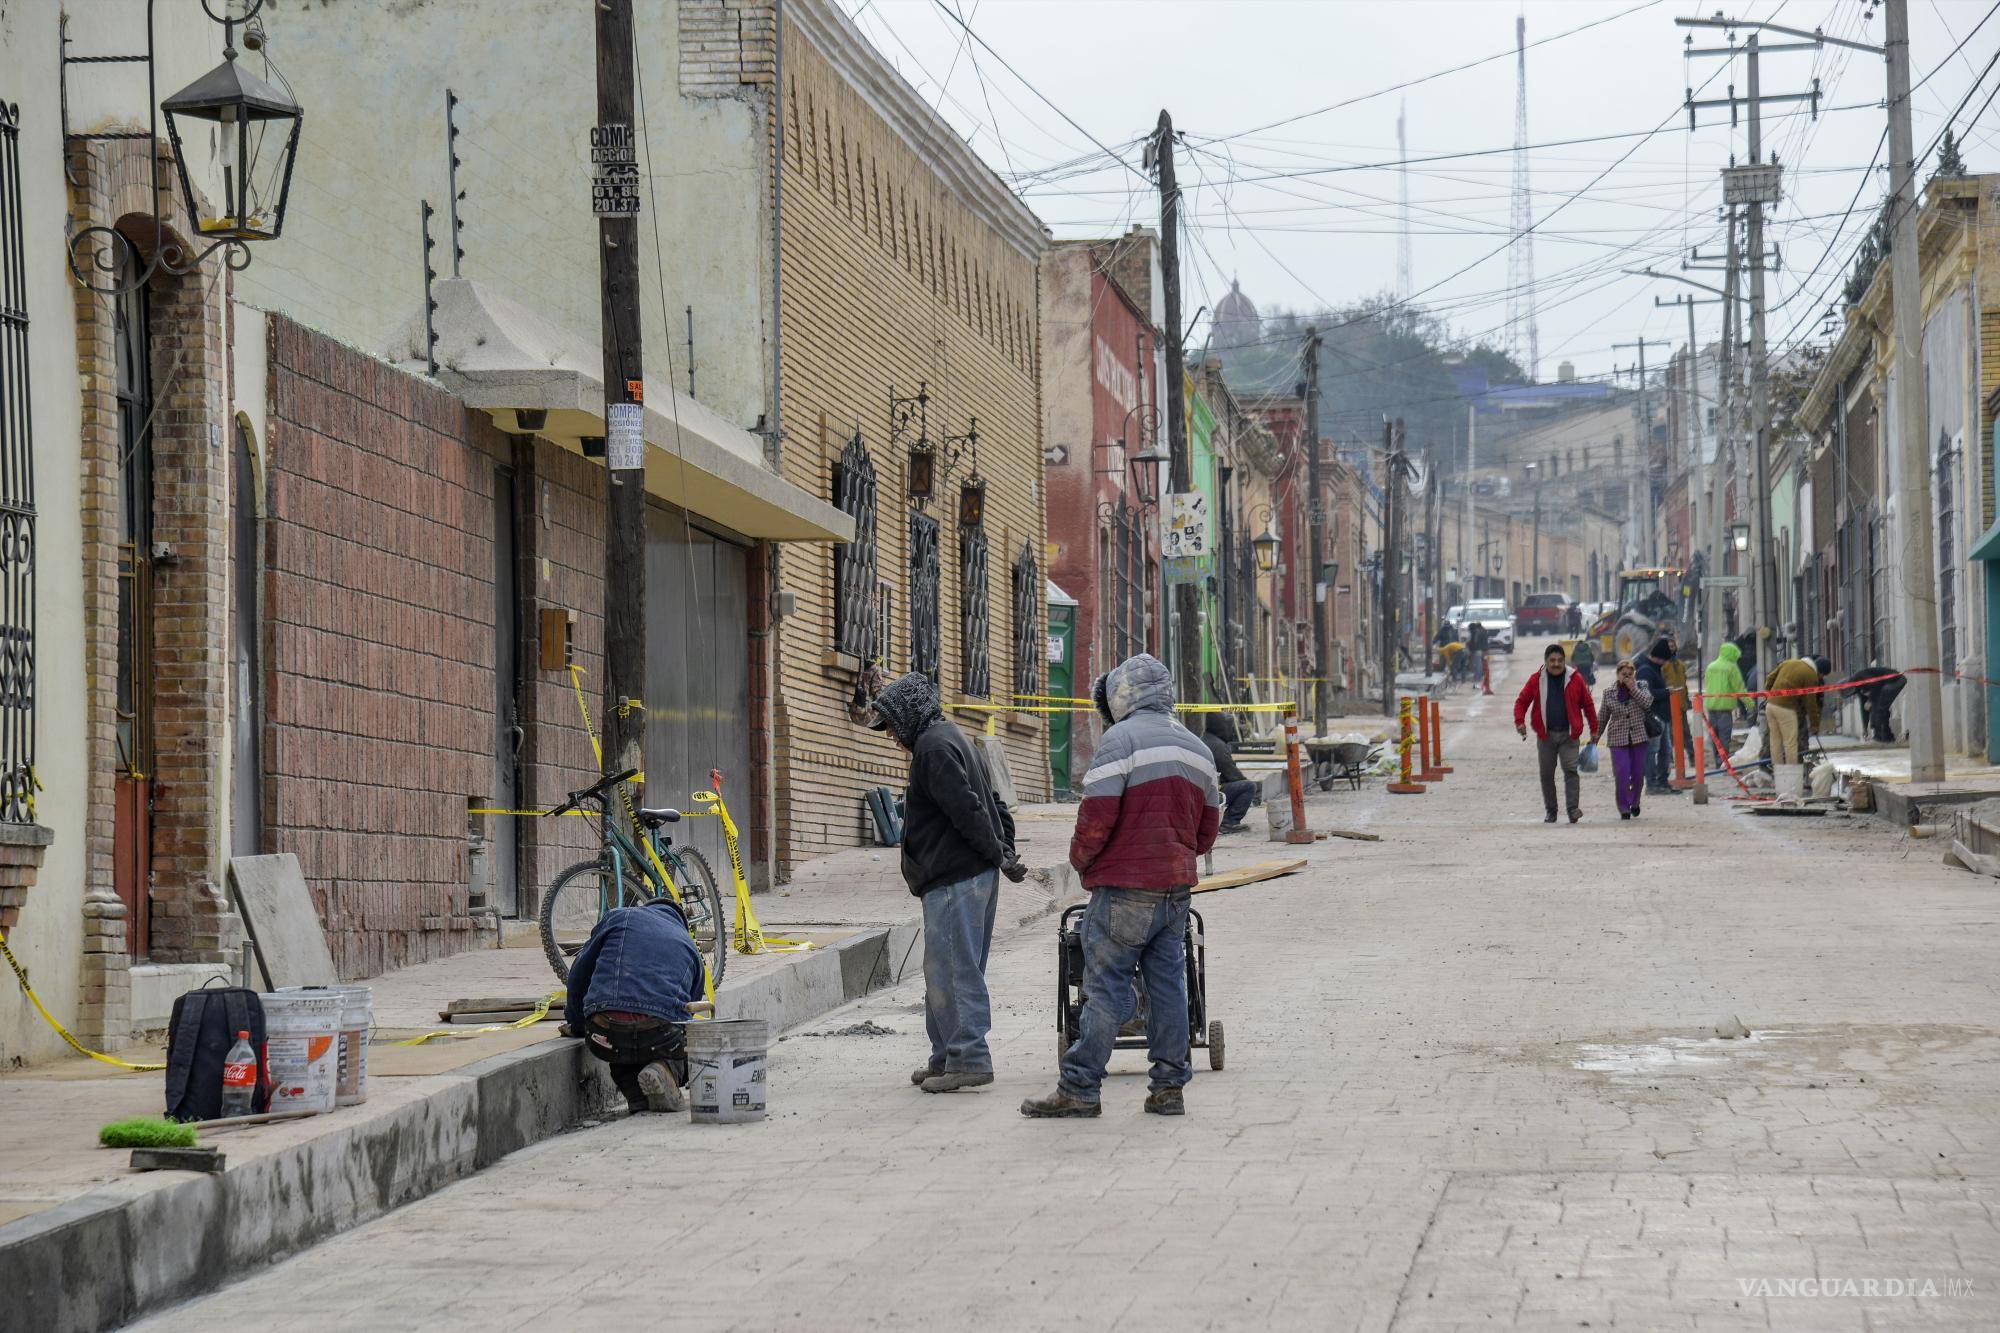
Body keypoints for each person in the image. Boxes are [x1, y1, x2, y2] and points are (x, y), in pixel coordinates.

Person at [1022, 654, 1221, 1120]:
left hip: (1123, 891)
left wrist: (1081, 862)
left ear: (1119, 696)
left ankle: (1079, 1088)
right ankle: (1169, 1088)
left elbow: (1095, 819)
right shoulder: (1197, 749)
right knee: (1169, 987)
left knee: (1106, 989)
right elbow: (1208, 832)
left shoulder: (1119, 741)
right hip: (1174, 893)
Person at [867, 671, 1027, 1095]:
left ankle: (969, 1057)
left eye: (892, 727)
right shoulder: (951, 738)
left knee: (954, 969)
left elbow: (969, 809)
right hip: (967, 875)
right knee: (945, 969)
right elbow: (994, 802)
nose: (892, 738)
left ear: (908, 717)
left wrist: (998, 853)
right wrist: (1003, 849)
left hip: (958, 877)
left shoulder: (934, 748)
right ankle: (945, 1056)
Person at [563, 898, 704, 1114]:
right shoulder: (689, 944)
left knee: (619, 1047)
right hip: (659, 1032)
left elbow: (579, 975)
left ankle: (636, 1095)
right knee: (682, 1042)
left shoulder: (619, 917)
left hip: (604, 1031)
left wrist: (576, 1023)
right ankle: (665, 1069)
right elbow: (687, 1016)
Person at [1513, 642, 1599, 824]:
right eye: (1552, 660)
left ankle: (1572, 809)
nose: (1556, 664)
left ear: (1564, 661)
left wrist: (1594, 729)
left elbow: (1588, 705)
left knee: (1571, 771)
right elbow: (1521, 702)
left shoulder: (1575, 679)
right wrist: (1519, 721)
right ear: (1546, 661)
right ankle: (1551, 811)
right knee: (1546, 774)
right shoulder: (1536, 679)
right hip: (1546, 736)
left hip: (1569, 735)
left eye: (1560, 660)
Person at [1593, 658, 1655, 820]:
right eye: (1623, 674)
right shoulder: (1609, 693)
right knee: (1621, 773)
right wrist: (1596, 736)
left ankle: (1635, 802)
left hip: (1638, 737)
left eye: (1630, 674)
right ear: (1617, 674)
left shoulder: (1641, 687)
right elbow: (1603, 717)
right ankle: (1623, 807)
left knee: (1637, 774)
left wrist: (1632, 688)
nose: (1626, 677)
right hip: (1617, 738)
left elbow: (1647, 703)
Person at [1763, 655, 1831, 768]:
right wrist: (1815, 725)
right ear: (1821, 672)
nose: (1820, 677)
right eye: (1822, 675)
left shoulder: (1788, 663)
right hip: (1786, 709)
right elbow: (1811, 703)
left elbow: (1769, 678)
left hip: (1770, 706)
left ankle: (1778, 772)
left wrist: (1771, 694)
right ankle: (1791, 772)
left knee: (1775, 742)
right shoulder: (1811, 675)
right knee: (1791, 743)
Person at [1635, 638, 1681, 797]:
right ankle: (1652, 784)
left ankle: (1662, 782)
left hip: (1662, 717)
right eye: (1665, 659)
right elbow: (1646, 695)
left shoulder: (1655, 669)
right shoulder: (1645, 671)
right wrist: (1667, 692)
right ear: (1660, 657)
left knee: (1665, 750)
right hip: (1652, 717)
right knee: (1652, 751)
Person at [1202, 716, 1257, 835]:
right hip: (1211, 791)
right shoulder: (1218, 746)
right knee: (1249, 787)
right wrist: (1247, 783)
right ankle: (1229, 821)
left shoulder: (1205, 739)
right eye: (1230, 727)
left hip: (1203, 787)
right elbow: (1231, 773)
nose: (1231, 731)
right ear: (1222, 727)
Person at [1702, 640, 1750, 755]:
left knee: (1714, 734)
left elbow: (1707, 683)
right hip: (1724, 707)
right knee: (1725, 735)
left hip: (1711, 705)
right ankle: (1724, 762)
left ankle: (1717, 760)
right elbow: (1739, 688)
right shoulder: (1731, 668)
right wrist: (1750, 704)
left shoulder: (1710, 666)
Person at [1844, 661, 1905, 743]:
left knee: (1878, 707)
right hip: (1886, 685)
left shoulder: (1860, 677)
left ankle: (1879, 737)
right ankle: (1887, 737)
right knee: (1879, 707)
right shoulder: (1859, 688)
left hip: (1896, 680)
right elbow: (1864, 709)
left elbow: (1877, 683)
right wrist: (1865, 728)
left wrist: (1870, 700)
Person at [1466, 619, 1491, 690]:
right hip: (1481, 651)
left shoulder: (1476, 633)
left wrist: (1470, 649)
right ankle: (1478, 682)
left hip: (1477, 651)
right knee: (1479, 667)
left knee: (1478, 667)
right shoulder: (1482, 631)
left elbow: (1473, 643)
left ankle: (1477, 682)